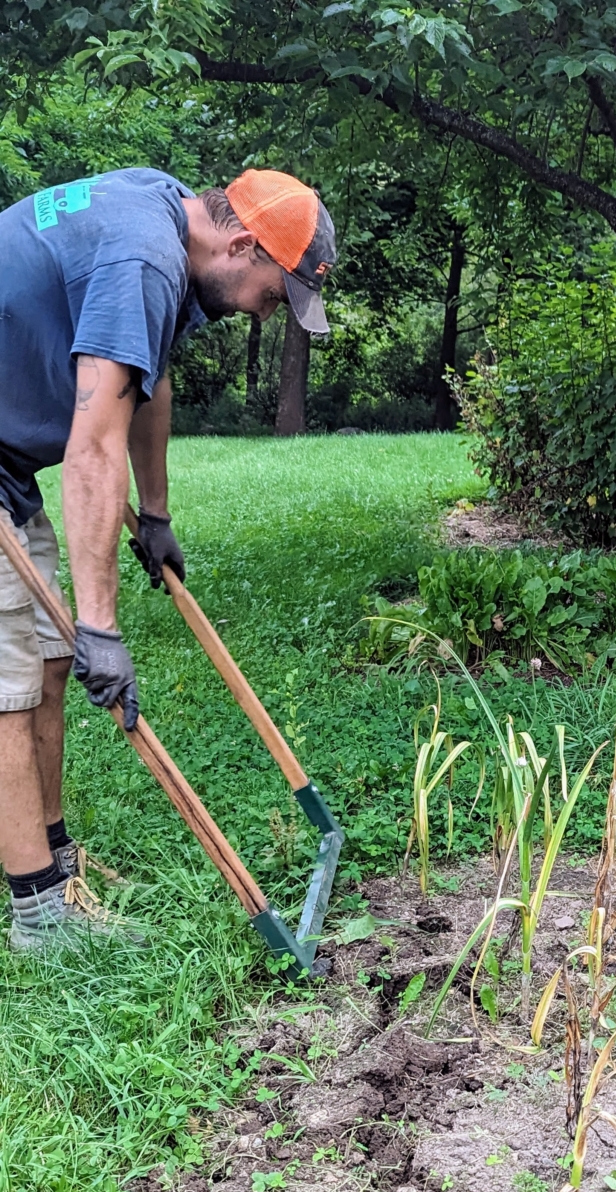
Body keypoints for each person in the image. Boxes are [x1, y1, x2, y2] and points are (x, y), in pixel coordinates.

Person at [0, 167, 336, 950]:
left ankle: (54, 861)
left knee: (48, 662)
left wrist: (154, 513)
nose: (268, 311)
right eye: (273, 292)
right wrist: (103, 626)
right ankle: (40, 916)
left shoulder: (168, 218)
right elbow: (91, 449)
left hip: (8, 456)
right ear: (243, 242)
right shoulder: (145, 259)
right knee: (11, 682)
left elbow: (148, 384)